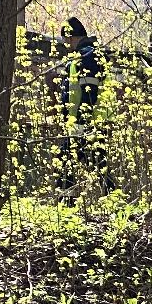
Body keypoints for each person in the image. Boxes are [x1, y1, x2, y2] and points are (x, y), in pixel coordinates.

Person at [57, 17, 107, 187]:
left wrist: (80, 122)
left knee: (66, 160)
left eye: (66, 40)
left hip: (87, 121)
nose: (66, 44)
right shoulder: (82, 55)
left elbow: (89, 93)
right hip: (81, 121)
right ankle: (111, 196)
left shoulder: (88, 56)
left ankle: (66, 202)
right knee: (95, 163)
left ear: (71, 37)